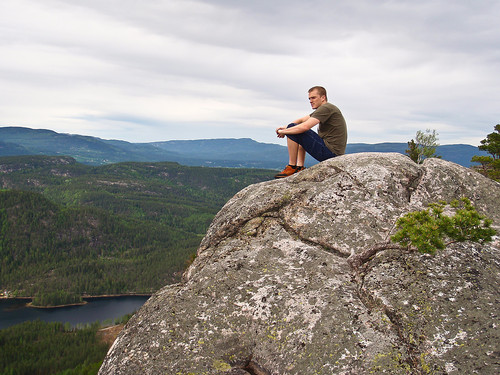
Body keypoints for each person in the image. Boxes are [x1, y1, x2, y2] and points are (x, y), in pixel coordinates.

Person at [274, 86, 347, 178]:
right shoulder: (325, 109)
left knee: (296, 130)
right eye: (309, 99)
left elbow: (305, 126)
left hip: (331, 153)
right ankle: (299, 167)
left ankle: (292, 166)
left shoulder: (326, 108)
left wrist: (285, 131)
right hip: (332, 152)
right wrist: (285, 128)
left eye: (313, 98)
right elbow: (302, 120)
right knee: (295, 130)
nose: (311, 101)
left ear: (323, 97)